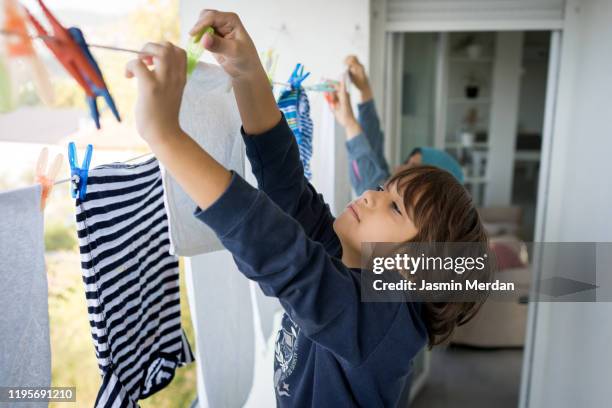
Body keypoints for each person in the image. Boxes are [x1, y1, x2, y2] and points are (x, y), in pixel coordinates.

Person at [125, 10, 490, 407]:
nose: (370, 194)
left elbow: (282, 254)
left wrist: (165, 135)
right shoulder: (345, 258)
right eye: (384, 188)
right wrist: (246, 71)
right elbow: (287, 189)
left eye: (395, 208)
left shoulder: (388, 321)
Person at [331, 56, 464, 196]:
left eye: (412, 167)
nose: (399, 167)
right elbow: (373, 145)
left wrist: (350, 122)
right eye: (408, 162)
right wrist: (364, 89)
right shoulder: (393, 187)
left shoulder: (394, 206)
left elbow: (370, 187)